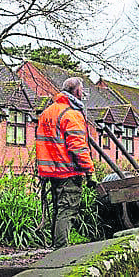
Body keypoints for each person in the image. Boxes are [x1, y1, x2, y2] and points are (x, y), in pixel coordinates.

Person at [36, 77, 97, 248]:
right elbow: (78, 146)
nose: (83, 92)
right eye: (82, 89)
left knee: (58, 209)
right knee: (67, 210)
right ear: (77, 91)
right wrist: (90, 172)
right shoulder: (71, 114)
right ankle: (61, 251)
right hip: (68, 171)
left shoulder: (48, 112)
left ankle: (56, 248)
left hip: (51, 171)